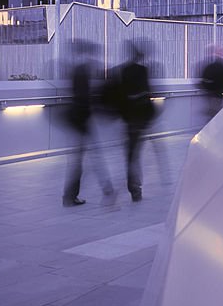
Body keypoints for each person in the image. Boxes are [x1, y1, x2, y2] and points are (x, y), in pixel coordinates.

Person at [62, 41, 111, 206]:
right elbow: (84, 97)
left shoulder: (78, 69)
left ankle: (71, 195)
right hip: (82, 120)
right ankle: (105, 190)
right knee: (87, 158)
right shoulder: (82, 71)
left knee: (81, 158)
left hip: (79, 119)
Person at [118, 42, 156, 202]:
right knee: (134, 153)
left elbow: (120, 94)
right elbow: (147, 92)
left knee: (131, 154)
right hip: (140, 117)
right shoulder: (143, 71)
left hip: (128, 118)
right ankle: (135, 188)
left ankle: (134, 187)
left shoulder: (123, 70)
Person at [198, 45, 223, 119]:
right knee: (218, 115)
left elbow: (204, 81)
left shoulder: (209, 66)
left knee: (214, 114)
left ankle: (211, 126)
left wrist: (208, 90)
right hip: (220, 95)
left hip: (212, 95)